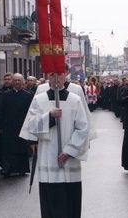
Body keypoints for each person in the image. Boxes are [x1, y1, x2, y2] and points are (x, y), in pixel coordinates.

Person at [25, 70, 89, 218]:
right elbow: (31, 124)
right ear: (48, 77)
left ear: (65, 76)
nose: (55, 79)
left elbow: (83, 128)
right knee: (51, 201)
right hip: (48, 155)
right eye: (52, 75)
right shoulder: (39, 99)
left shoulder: (75, 99)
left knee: (70, 201)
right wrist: (49, 116)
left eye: (59, 75)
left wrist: (68, 151)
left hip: (69, 158)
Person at [0, 73, 33, 176]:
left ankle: (22, 168)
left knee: (22, 148)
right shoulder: (6, 95)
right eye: (15, 80)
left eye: (19, 80)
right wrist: (0, 126)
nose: (17, 82)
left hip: (23, 125)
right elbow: (2, 110)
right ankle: (9, 168)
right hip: (9, 126)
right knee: (9, 148)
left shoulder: (28, 95)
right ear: (12, 82)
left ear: (23, 82)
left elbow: (31, 111)